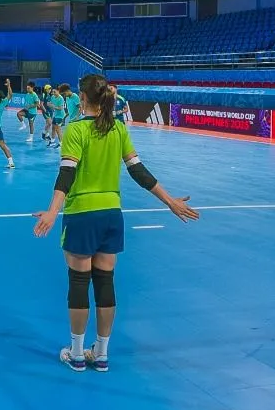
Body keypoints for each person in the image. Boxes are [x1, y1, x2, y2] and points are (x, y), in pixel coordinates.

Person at [33, 74, 199, 372]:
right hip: (111, 214)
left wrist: (52, 211)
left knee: (79, 282)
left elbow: (67, 174)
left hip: (82, 214)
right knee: (105, 283)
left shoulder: (75, 129)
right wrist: (170, 200)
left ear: (83, 98)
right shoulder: (118, 128)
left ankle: (77, 353)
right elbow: (138, 171)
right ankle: (102, 353)